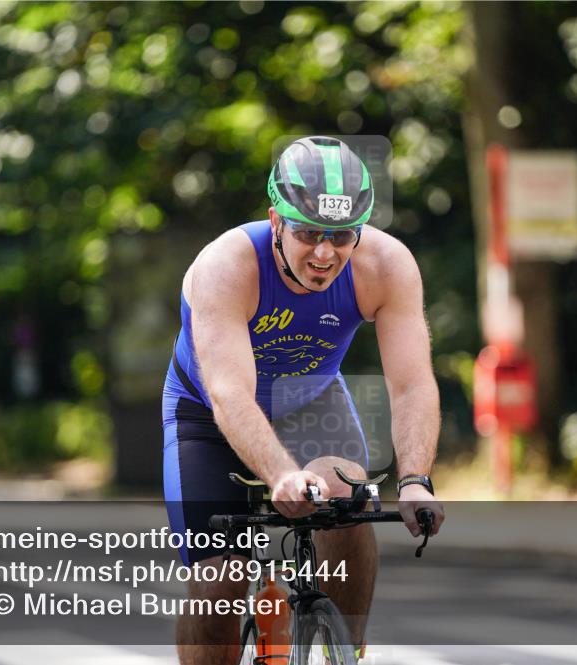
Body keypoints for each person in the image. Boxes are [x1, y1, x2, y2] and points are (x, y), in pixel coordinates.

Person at [162, 136, 445, 664]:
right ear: (276, 221)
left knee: (351, 497)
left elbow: (412, 384)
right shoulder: (225, 266)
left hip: (309, 401)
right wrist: (279, 474)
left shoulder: (386, 265)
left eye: (341, 236)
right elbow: (229, 394)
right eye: (309, 232)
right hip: (207, 414)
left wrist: (414, 479)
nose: (324, 252)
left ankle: (347, 651)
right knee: (221, 578)